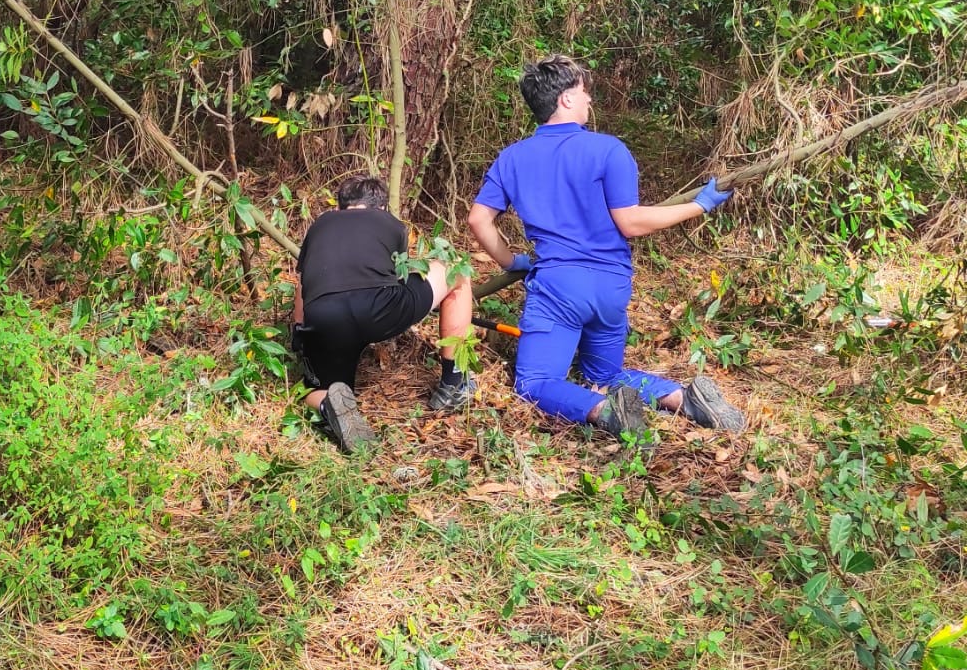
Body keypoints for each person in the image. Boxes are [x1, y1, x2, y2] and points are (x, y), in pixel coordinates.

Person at [467, 56, 745, 440]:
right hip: (611, 288)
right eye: (584, 93)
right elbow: (629, 221)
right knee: (605, 374)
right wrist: (699, 206)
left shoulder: (512, 158)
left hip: (559, 289)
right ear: (564, 99)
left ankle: (604, 411)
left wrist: (510, 260)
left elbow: (478, 220)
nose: (589, 101)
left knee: (535, 382)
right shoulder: (609, 150)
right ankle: (683, 398)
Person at [292, 173, 475, 453]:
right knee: (457, 270)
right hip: (379, 307)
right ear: (380, 206)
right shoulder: (391, 224)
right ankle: (454, 383)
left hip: (323, 315)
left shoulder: (320, 225)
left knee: (313, 388)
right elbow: (397, 274)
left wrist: (301, 337)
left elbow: (302, 287)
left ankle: (329, 402)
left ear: (341, 206)